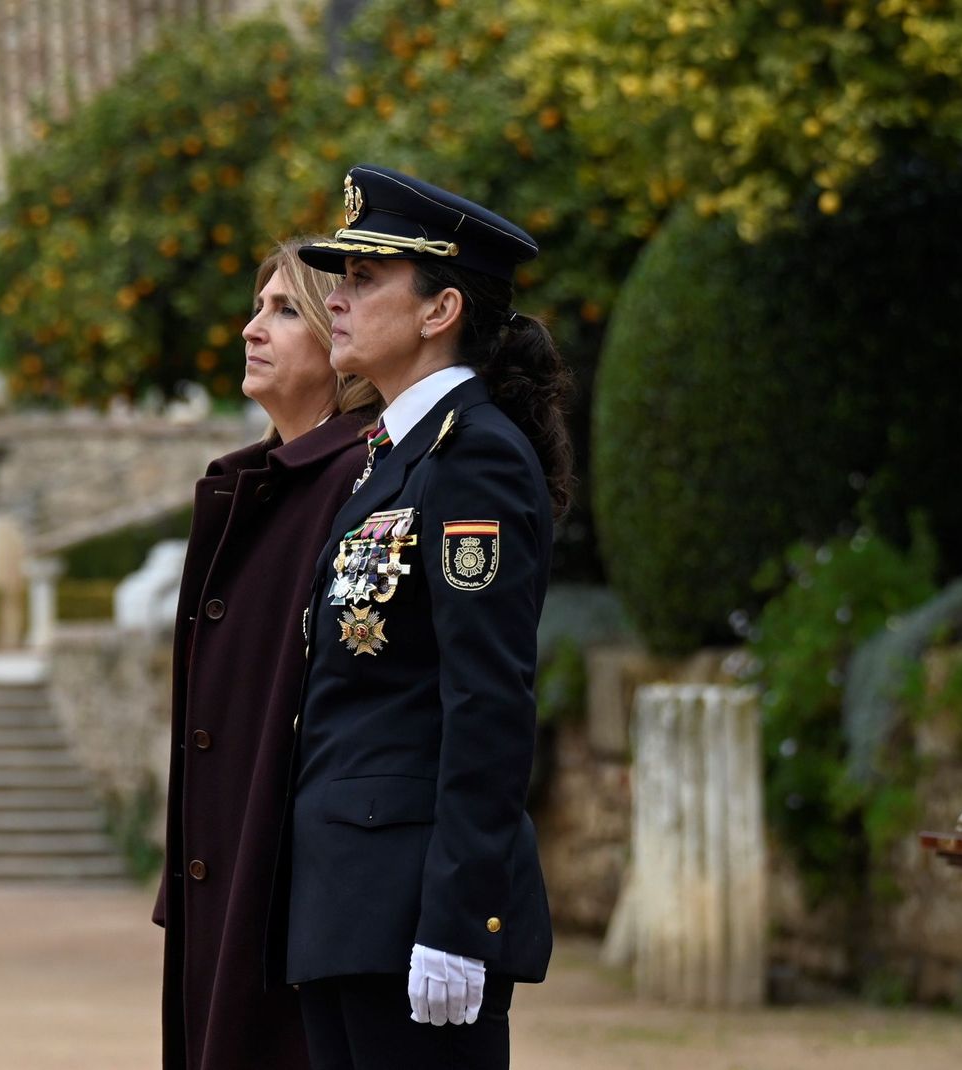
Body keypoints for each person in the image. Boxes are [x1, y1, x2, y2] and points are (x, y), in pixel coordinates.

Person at [275, 164, 571, 1070]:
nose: (341, 299)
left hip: (413, 915)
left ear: (440, 310)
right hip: (345, 902)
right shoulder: (391, 460)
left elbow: (487, 700)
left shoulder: (474, 458)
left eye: (367, 280)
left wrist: (458, 920)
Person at [155, 237, 382, 1070]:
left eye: (286, 310)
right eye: (258, 306)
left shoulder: (363, 484)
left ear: (341, 339)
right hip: (226, 878)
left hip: (291, 893)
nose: (253, 328)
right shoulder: (260, 480)